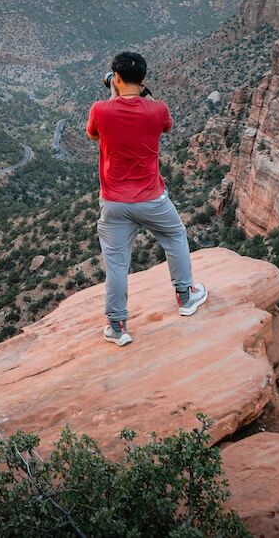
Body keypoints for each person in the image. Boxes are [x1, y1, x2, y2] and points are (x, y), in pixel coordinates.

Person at [87, 50, 206, 346]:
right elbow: (167, 126)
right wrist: (145, 99)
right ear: (143, 80)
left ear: (115, 78)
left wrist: (114, 97)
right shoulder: (158, 109)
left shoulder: (100, 110)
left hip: (114, 203)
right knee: (176, 236)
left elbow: (93, 136)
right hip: (152, 199)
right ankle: (185, 296)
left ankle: (117, 326)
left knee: (116, 263)